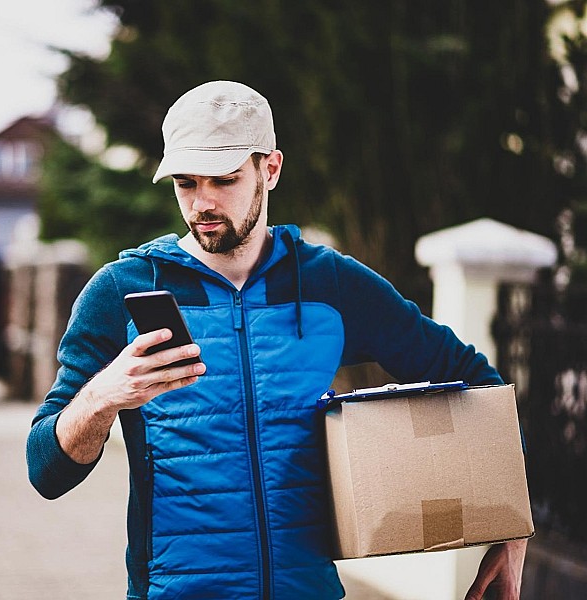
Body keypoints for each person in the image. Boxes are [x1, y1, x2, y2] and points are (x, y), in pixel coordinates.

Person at [26, 80, 528, 599]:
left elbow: (477, 384)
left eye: (223, 180)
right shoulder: (122, 290)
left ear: (270, 168)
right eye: (185, 182)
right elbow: (45, 472)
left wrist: (513, 528)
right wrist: (105, 395)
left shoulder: (329, 284)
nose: (202, 203)